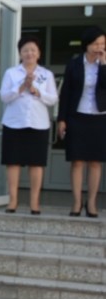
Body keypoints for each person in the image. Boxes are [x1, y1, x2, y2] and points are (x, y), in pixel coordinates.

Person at [0, 36, 58, 215]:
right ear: (20, 53)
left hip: (38, 123)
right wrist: (21, 86)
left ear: (39, 53)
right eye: (25, 50)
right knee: (13, 162)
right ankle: (12, 200)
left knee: (36, 163)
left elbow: (53, 99)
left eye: (33, 50)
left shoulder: (46, 74)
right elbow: (4, 97)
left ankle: (34, 202)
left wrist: (36, 91)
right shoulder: (11, 73)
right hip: (13, 123)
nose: (29, 53)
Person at [57, 26, 106, 218]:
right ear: (86, 44)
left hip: (100, 117)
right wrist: (62, 119)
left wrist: (104, 65)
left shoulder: (105, 63)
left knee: (95, 162)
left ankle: (91, 202)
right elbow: (66, 93)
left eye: (102, 44)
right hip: (77, 116)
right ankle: (77, 202)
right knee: (77, 161)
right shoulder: (75, 64)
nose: (99, 47)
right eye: (96, 44)